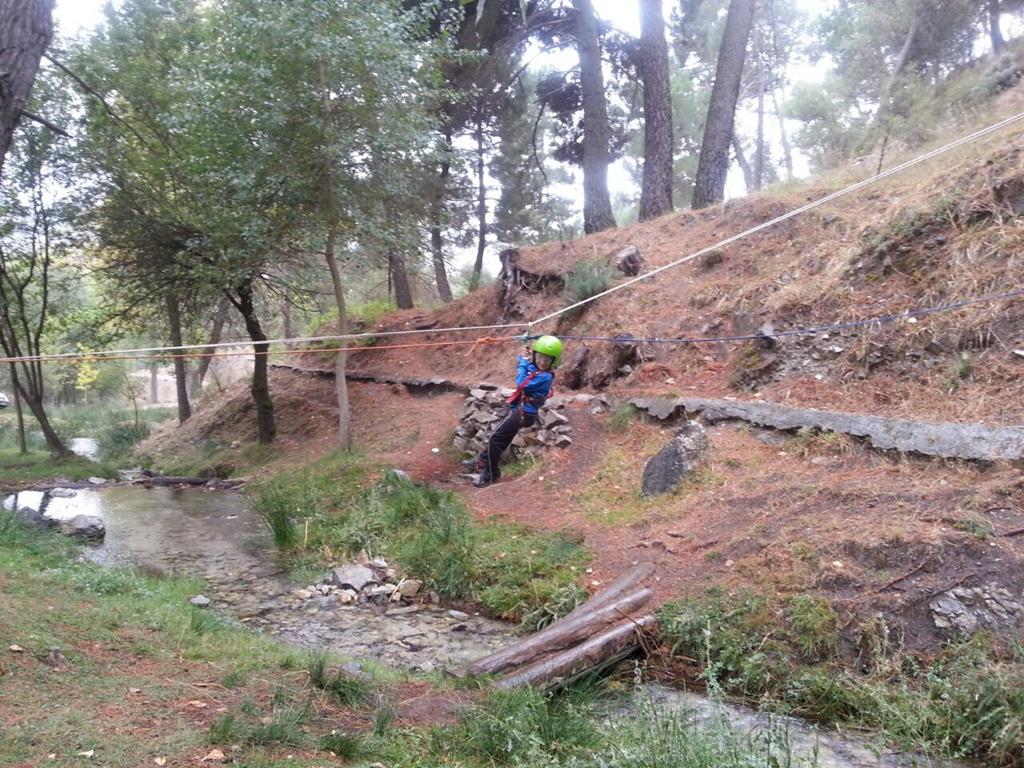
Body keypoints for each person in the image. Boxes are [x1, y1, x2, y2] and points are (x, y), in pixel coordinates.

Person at [464, 335, 563, 488]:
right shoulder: (538, 370)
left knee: (495, 439)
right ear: (535, 355)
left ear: (553, 362)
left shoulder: (545, 377)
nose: (542, 362)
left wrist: (523, 362)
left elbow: (521, 383)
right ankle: (482, 461)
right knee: (500, 438)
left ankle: (491, 473)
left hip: (524, 413)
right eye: (540, 358)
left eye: (547, 360)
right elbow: (530, 370)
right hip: (521, 410)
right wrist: (525, 357)